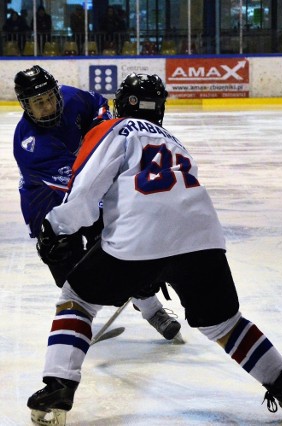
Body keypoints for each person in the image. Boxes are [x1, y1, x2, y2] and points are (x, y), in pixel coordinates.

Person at [26, 73, 282, 425]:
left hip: (139, 237)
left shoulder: (113, 130)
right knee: (225, 323)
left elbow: (84, 198)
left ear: (122, 104)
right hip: (204, 240)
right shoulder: (176, 142)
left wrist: (53, 227)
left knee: (77, 299)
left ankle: (59, 384)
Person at [12, 65, 182, 342]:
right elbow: (80, 193)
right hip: (49, 205)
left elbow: (98, 105)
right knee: (70, 275)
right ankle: (76, 323)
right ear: (26, 107)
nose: (48, 106)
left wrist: (101, 133)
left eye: (50, 98)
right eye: (38, 103)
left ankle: (152, 311)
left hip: (87, 187)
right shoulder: (31, 147)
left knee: (119, 248)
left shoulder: (71, 97)